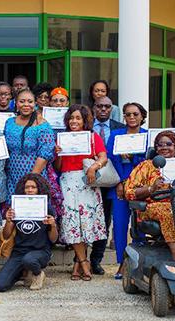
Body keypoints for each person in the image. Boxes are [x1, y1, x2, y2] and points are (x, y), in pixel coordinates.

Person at [53, 104, 108, 281]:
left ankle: (77, 263)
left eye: (78, 118)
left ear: (85, 120)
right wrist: (58, 154)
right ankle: (84, 261)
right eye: (71, 118)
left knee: (85, 223)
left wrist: (94, 166)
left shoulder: (92, 137)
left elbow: (103, 157)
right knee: (72, 222)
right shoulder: (62, 138)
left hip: (87, 182)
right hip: (68, 182)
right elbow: (58, 168)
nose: (74, 121)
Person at [0, 174, 58, 292]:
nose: (29, 190)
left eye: (33, 187)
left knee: (29, 260)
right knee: (0, 285)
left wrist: (52, 225)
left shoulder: (46, 208)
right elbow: (7, 235)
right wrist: (8, 220)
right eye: (27, 187)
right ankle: (21, 273)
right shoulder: (17, 206)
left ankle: (38, 274)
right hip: (19, 252)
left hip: (40, 251)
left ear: (39, 189)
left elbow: (53, 239)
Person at [125, 131, 175, 261]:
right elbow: (128, 192)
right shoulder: (146, 166)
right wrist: (151, 188)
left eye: (169, 144)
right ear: (156, 148)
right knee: (167, 210)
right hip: (151, 207)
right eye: (160, 145)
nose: (164, 147)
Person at [106, 102, 148, 279]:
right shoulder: (116, 134)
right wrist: (119, 183)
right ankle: (122, 263)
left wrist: (133, 156)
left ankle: (139, 262)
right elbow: (109, 159)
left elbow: (148, 161)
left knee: (140, 224)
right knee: (120, 225)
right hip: (120, 186)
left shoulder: (147, 135)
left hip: (141, 187)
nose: (131, 117)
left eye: (135, 114)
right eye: (128, 114)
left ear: (142, 116)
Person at [89, 96, 125, 275]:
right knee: (87, 218)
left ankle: (96, 260)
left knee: (105, 221)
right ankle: (78, 259)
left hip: (111, 180)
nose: (103, 109)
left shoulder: (120, 128)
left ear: (111, 109)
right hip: (89, 179)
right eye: (99, 106)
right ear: (94, 108)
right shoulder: (85, 127)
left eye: (107, 107)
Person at [4, 89, 55, 202]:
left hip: (35, 173)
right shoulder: (9, 122)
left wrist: (31, 179)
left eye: (30, 101)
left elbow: (45, 154)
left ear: (35, 104)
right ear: (16, 103)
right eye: (22, 101)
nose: (26, 104)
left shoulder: (43, 125)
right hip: (12, 174)